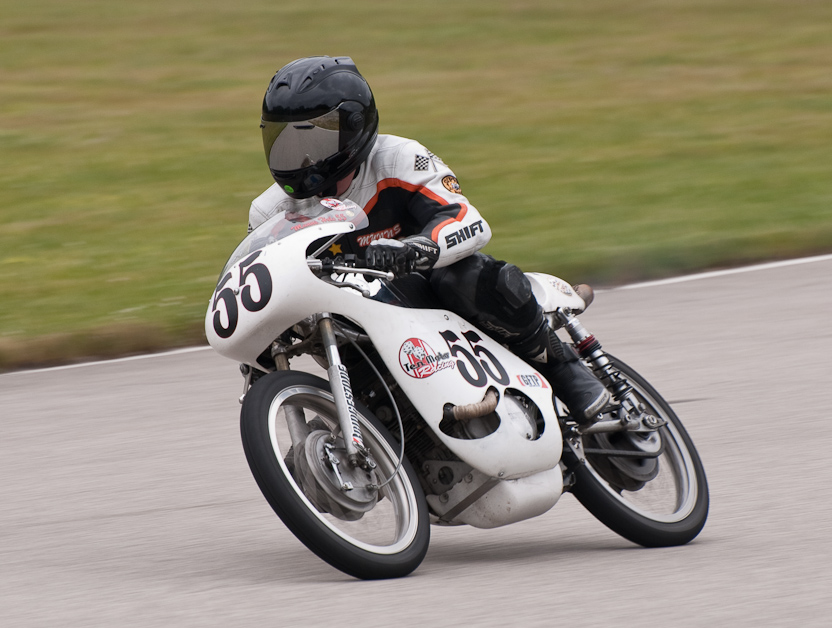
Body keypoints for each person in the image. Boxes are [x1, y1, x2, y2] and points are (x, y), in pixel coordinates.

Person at [249, 56, 610, 422]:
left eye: (313, 139)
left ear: (354, 127)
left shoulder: (400, 159)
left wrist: (417, 249)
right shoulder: (268, 213)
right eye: (285, 142)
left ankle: (563, 368)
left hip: (435, 302)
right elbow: (259, 282)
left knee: (465, 276)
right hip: (359, 327)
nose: (300, 158)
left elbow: (468, 220)